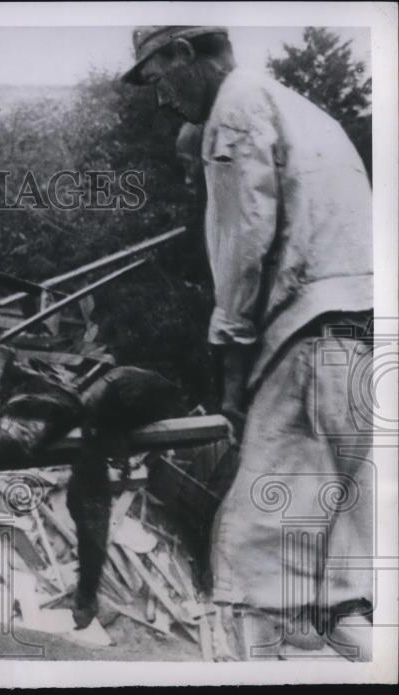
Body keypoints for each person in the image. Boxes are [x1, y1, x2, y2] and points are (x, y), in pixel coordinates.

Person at [123, 27, 374, 659]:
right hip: (361, 344)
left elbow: (243, 245)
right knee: (337, 584)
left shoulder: (233, 111)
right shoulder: (304, 111)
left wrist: (232, 375)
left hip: (308, 346)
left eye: (157, 80)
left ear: (183, 54)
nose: (161, 102)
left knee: (248, 567)